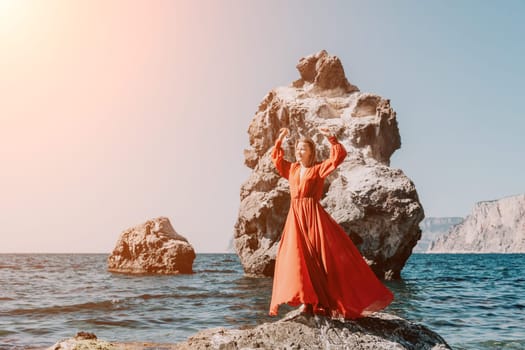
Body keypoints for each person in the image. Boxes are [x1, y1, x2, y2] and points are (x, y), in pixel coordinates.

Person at [269, 126, 394, 319]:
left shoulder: (318, 168)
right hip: (295, 216)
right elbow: (276, 158)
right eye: (297, 148)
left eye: (303, 148)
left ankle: (320, 301)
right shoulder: (292, 169)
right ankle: (306, 301)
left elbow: (338, 157)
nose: (299, 151)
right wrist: (279, 139)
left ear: (311, 151)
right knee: (299, 258)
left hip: (313, 215)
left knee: (317, 259)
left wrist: (331, 139)